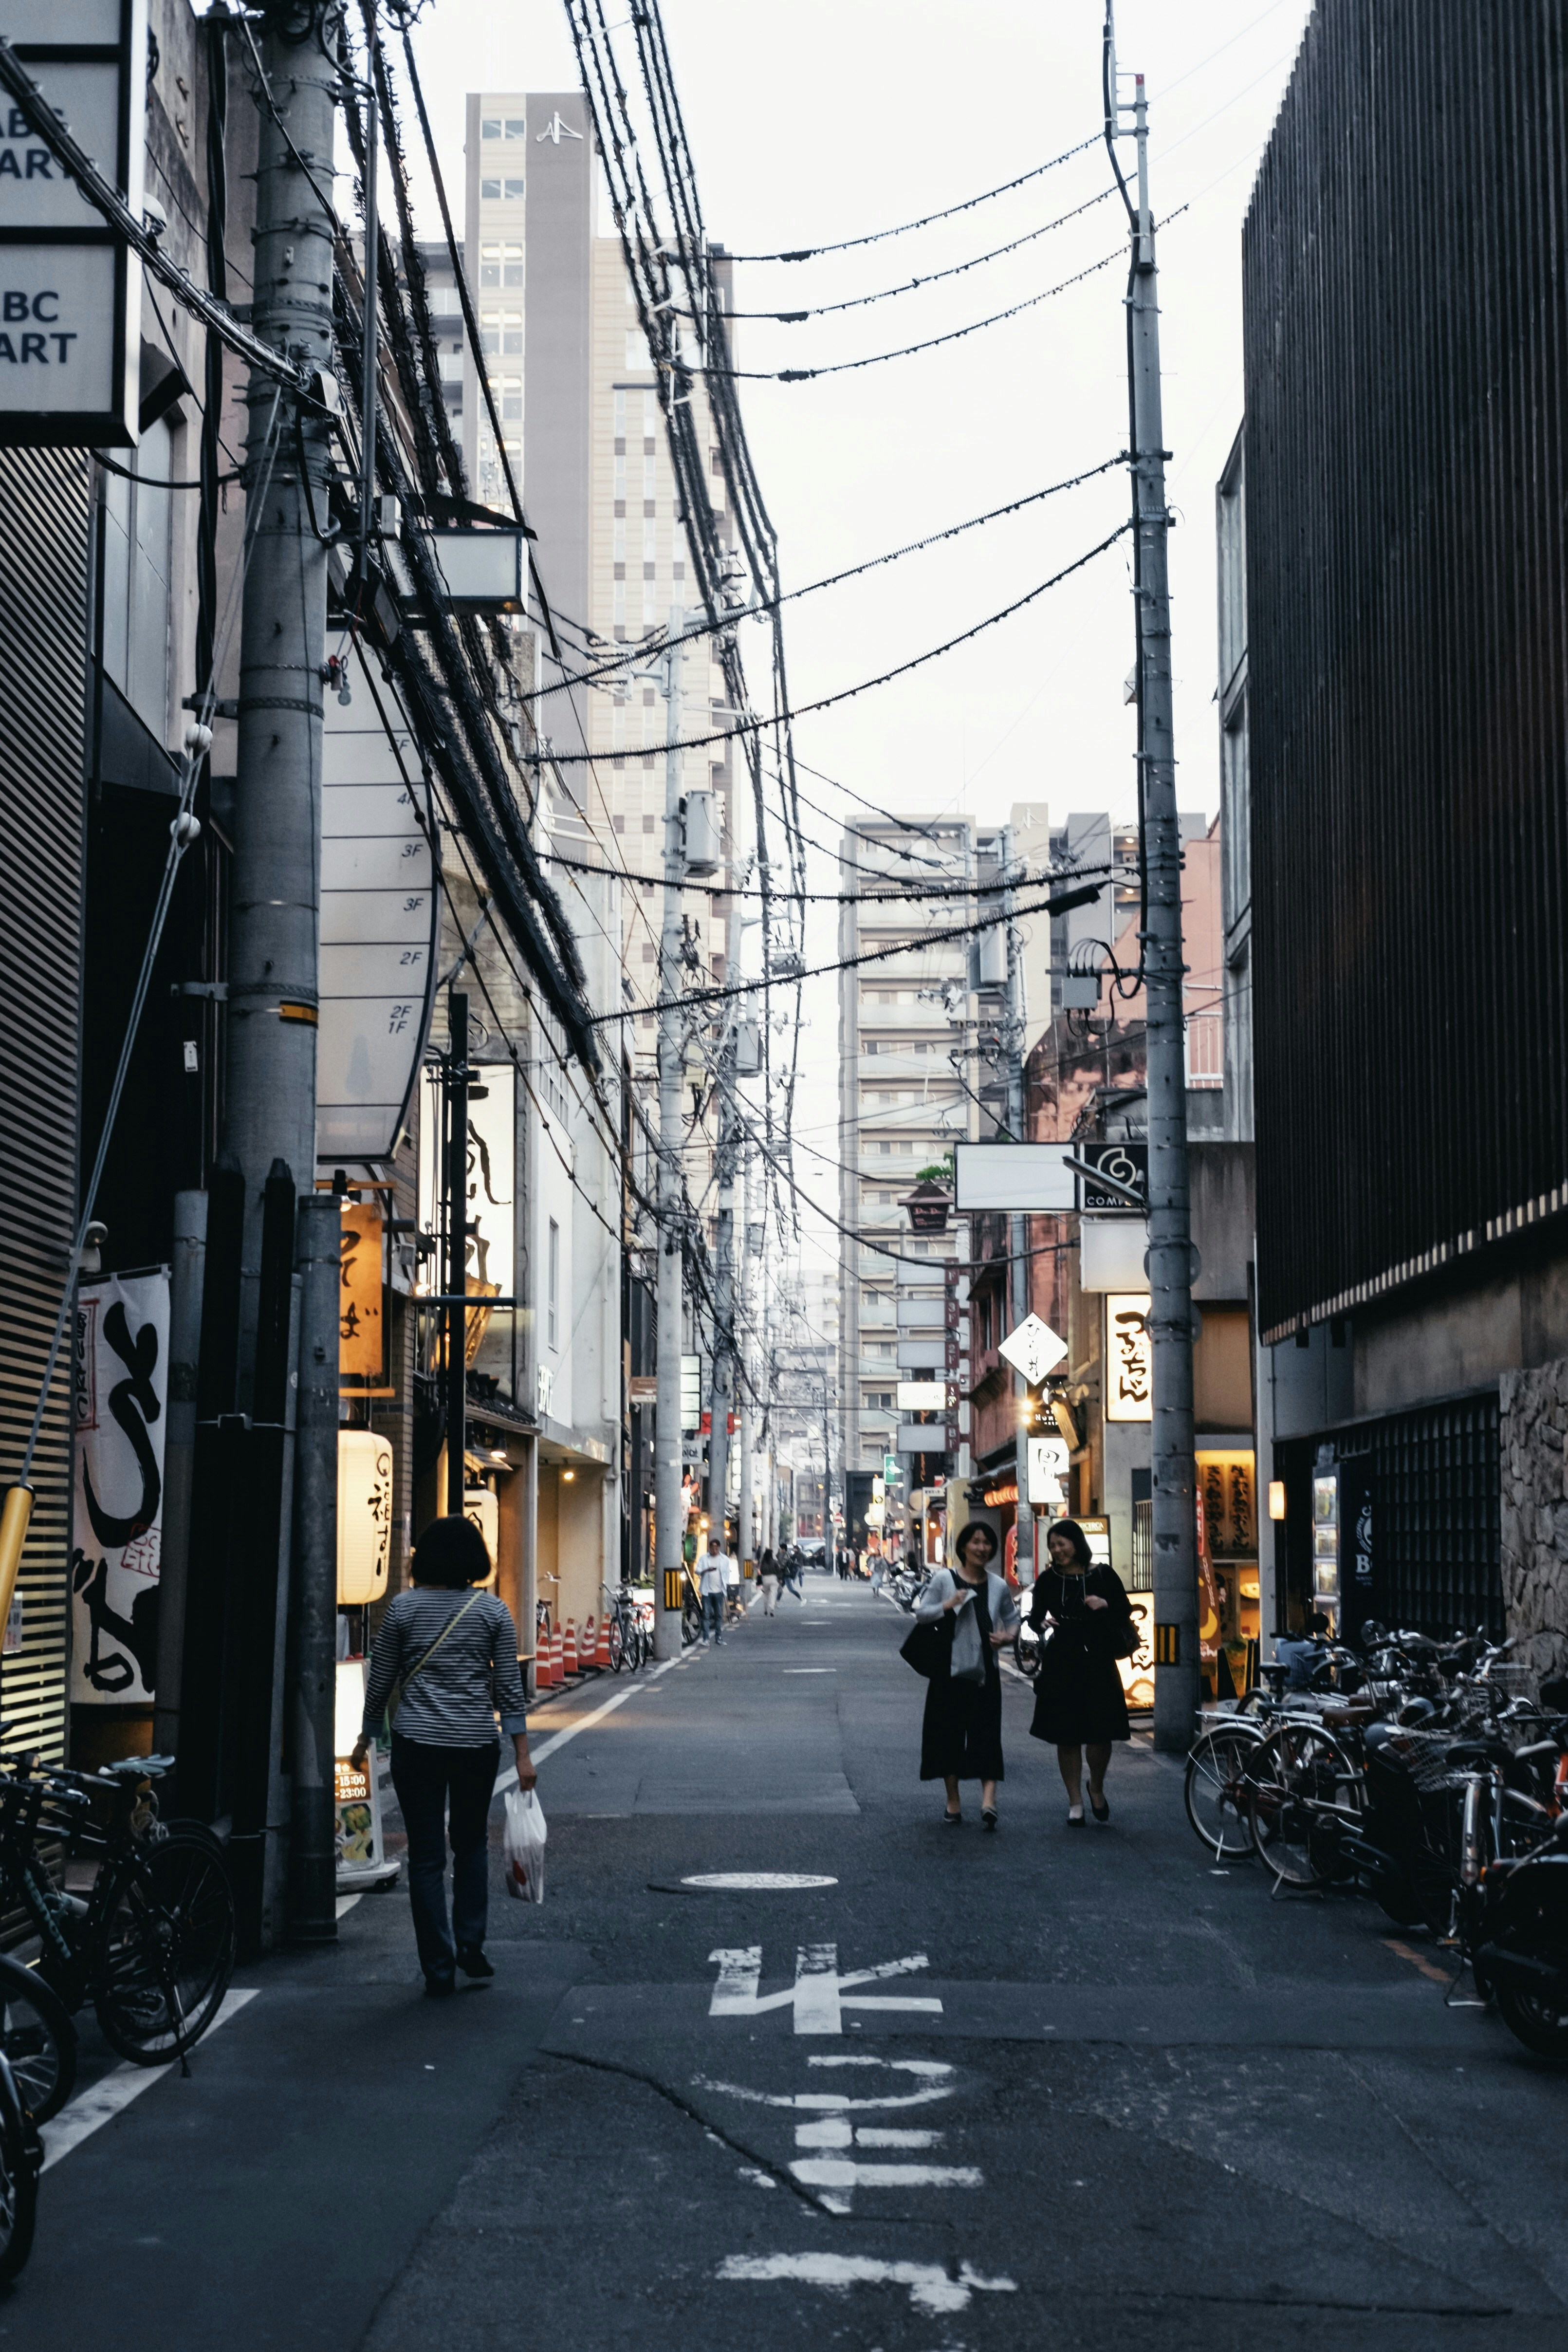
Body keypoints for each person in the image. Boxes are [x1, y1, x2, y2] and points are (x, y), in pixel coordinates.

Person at [352, 1515, 533, 1998]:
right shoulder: (493, 1612)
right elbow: (510, 1691)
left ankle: (437, 1965)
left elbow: (381, 1681)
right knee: (470, 1846)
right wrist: (522, 1755)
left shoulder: (403, 1609)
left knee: (427, 1856)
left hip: (417, 1745)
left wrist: (366, 1736)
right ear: (477, 1559)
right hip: (475, 1744)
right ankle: (470, 1943)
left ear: (424, 1558)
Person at [1027, 1518, 1134, 1826]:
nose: (1057, 1550)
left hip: (1098, 1657)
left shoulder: (1103, 1575)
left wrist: (1104, 1604)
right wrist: (1043, 1624)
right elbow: (1034, 1618)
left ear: (1076, 1543)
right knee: (1067, 1734)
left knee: (1101, 1734)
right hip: (1063, 1660)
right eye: (1052, 1546)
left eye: (1062, 1544)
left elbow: (1125, 1609)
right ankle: (1075, 1801)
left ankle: (1096, 1787)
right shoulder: (1048, 1580)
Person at [913, 1520, 1019, 1830]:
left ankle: (989, 1802)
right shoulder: (944, 1579)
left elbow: (1012, 1620)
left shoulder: (998, 1585)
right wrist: (948, 1604)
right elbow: (921, 1613)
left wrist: (1008, 1637)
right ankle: (954, 1801)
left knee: (987, 1734)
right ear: (963, 1547)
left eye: (987, 1543)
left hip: (986, 1670)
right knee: (949, 1736)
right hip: (949, 1669)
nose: (982, 1548)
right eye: (975, 1542)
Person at [698, 1536, 728, 1644]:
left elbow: (726, 1574)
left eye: (716, 1548)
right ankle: (706, 1639)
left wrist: (726, 1586)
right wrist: (707, 1570)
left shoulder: (725, 1559)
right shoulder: (704, 1558)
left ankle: (718, 1637)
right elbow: (698, 1571)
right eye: (712, 1548)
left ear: (719, 1548)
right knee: (706, 1615)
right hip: (707, 1591)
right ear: (709, 1548)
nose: (714, 1550)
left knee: (719, 1615)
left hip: (719, 1592)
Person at [759, 1545, 779, 1616]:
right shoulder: (774, 1562)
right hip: (773, 1578)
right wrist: (780, 1579)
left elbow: (761, 1571)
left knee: (766, 1595)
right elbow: (778, 1571)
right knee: (773, 1594)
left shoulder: (763, 1562)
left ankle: (765, 1609)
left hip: (765, 1579)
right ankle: (772, 1609)